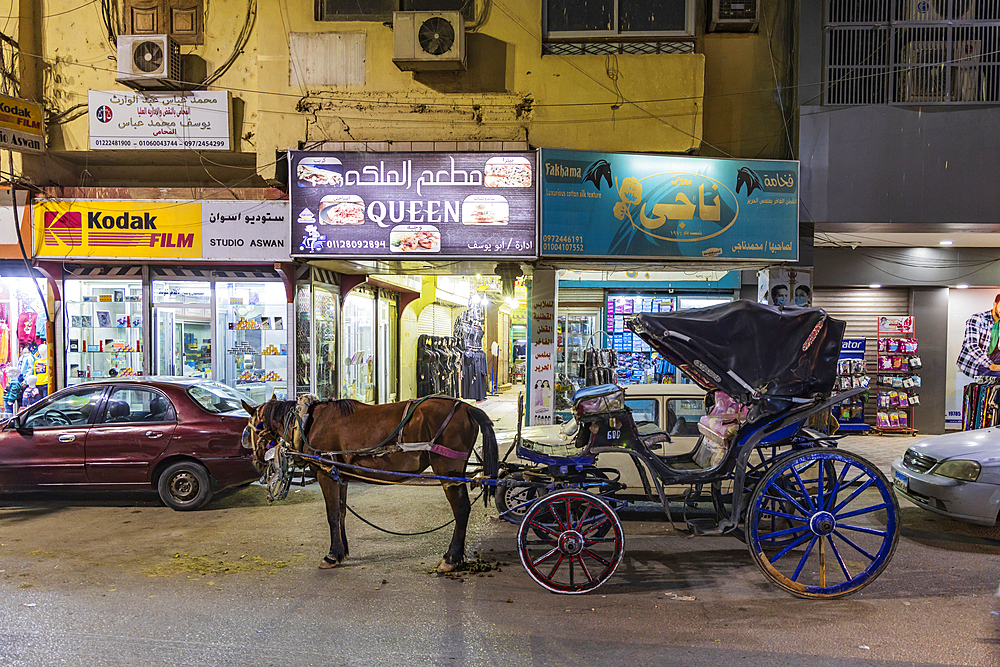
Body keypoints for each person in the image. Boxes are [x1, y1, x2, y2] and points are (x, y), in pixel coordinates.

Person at [957, 294, 1000, 378]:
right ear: (995, 304)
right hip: (975, 361)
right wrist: (991, 365)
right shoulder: (978, 318)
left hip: (993, 356)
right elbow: (971, 345)